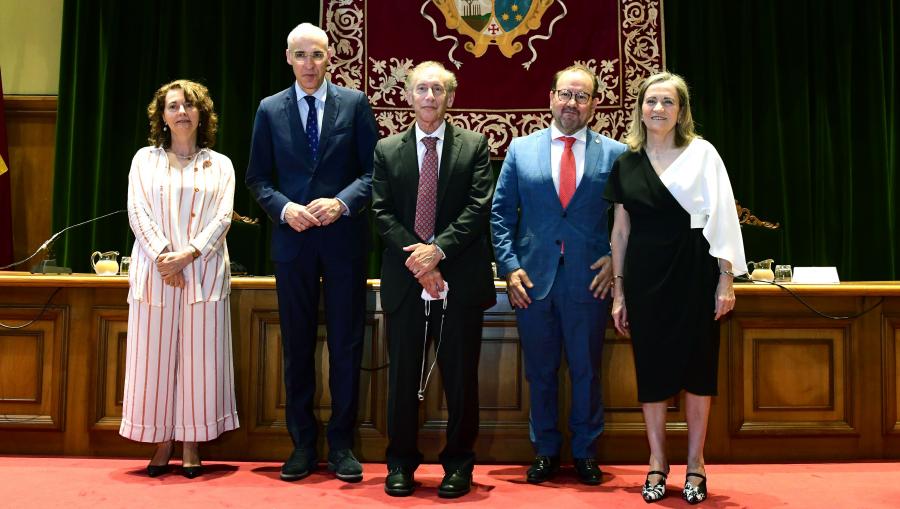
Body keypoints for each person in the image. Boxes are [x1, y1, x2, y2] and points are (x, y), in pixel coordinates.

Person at [604, 72, 747, 504]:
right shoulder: (626, 162)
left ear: (681, 110)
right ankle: (656, 462)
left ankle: (696, 464)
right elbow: (621, 232)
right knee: (651, 370)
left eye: (668, 102)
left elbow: (724, 219)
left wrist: (725, 279)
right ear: (640, 109)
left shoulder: (702, 154)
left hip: (694, 273)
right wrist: (619, 291)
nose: (659, 109)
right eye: (651, 101)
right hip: (645, 278)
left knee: (698, 370)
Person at [245, 23, 378, 483]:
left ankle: (341, 445)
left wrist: (342, 203)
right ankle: (302, 444)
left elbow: (374, 172)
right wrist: (285, 209)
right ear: (288, 58)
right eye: (300, 55)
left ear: (329, 57)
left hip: (344, 243)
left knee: (346, 345)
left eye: (317, 55)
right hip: (293, 244)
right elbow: (257, 178)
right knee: (297, 347)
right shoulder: (269, 109)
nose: (309, 63)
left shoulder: (355, 104)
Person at [491, 65, 626, 485]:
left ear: (594, 105)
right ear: (550, 97)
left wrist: (616, 261)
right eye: (565, 94)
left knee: (586, 370)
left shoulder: (616, 154)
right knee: (540, 371)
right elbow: (500, 215)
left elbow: (632, 217)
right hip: (532, 281)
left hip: (590, 279)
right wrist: (509, 267)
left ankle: (585, 452)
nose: (572, 103)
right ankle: (546, 451)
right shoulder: (521, 149)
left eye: (582, 96)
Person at [372, 61, 494, 498]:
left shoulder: (474, 145)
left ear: (450, 97)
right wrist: (421, 261)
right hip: (406, 282)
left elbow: (479, 207)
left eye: (438, 89)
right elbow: (381, 212)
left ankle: (459, 464)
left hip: (460, 280)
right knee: (403, 379)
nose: (429, 96)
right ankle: (400, 462)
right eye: (421, 88)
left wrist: (438, 251)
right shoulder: (387, 149)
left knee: (460, 380)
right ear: (408, 95)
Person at [121, 79, 239, 479]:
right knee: (153, 361)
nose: (182, 112)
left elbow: (222, 218)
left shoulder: (220, 164)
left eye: (189, 105)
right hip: (156, 275)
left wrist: (187, 256)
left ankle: (192, 442)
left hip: (203, 272)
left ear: (201, 114)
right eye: (173, 106)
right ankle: (161, 441)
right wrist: (164, 258)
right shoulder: (144, 160)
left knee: (201, 362)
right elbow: (137, 210)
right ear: (162, 116)